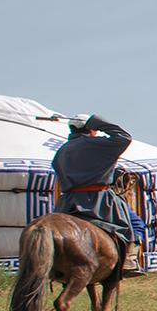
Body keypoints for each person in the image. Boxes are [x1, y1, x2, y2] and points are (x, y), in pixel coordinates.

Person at [53, 114, 141, 270]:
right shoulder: (97, 145)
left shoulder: (62, 150)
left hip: (68, 203)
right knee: (135, 223)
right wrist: (98, 122)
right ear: (90, 128)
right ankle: (129, 259)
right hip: (98, 201)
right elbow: (124, 137)